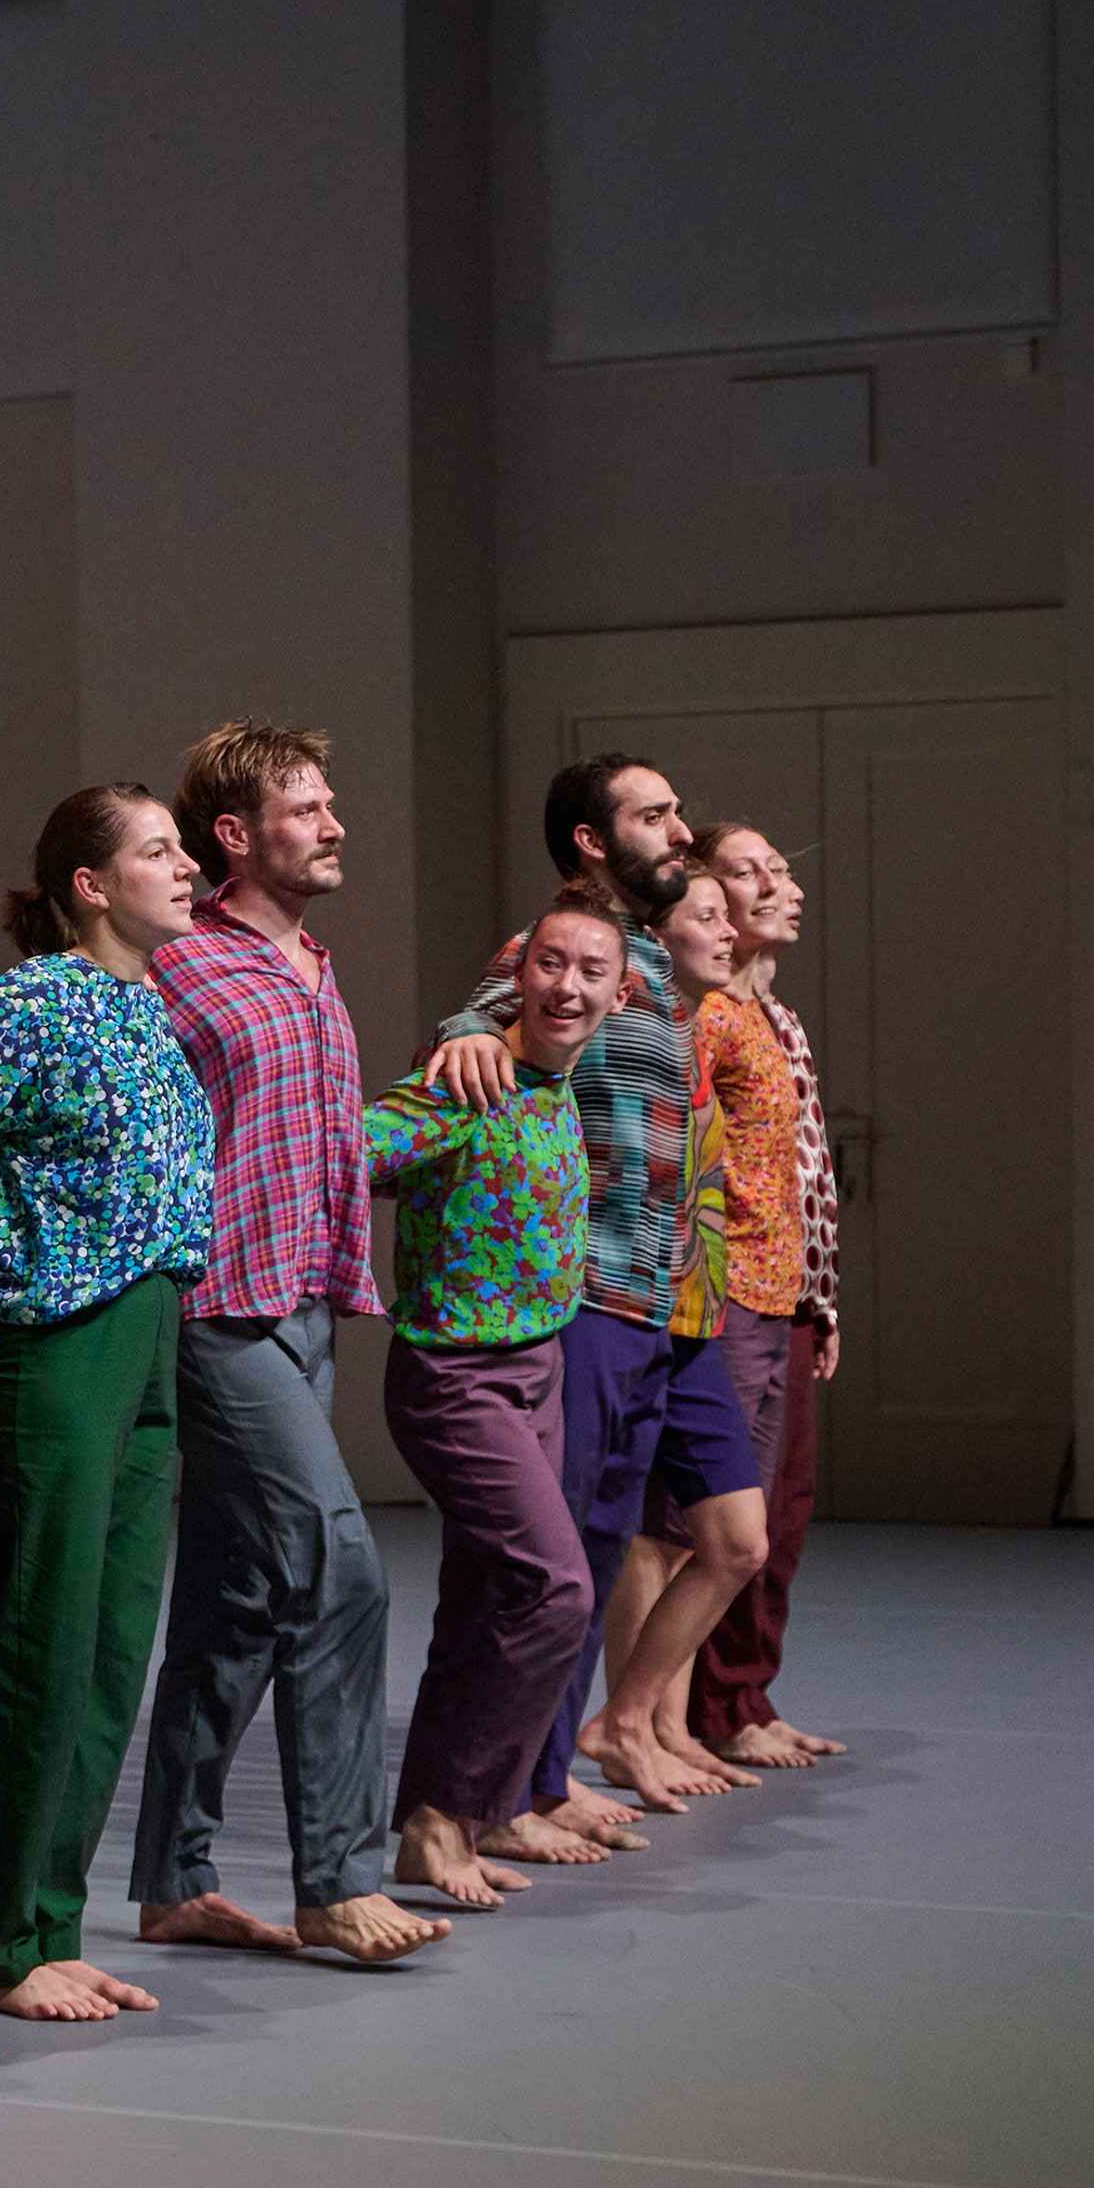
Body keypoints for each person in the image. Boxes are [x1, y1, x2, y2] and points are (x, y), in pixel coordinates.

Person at [130, 723, 440, 1964]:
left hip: (303, 1307)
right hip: (216, 1313)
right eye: (306, 808)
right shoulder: (178, 962)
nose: (333, 824)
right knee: (341, 1569)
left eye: (328, 803)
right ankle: (340, 1879)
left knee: (239, 1602)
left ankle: (174, 1880)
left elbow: (326, 1139)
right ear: (235, 836)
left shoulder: (312, 965)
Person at [424, 755, 765, 1850]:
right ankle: (505, 1793)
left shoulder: (651, 964)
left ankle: (545, 1776)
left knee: (604, 1545)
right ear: (591, 840)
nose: (680, 832)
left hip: (648, 1302)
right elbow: (478, 1022)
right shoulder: (560, 947)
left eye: (676, 812)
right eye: (654, 816)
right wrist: (464, 1033)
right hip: (579, 1299)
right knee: (557, 1558)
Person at [0, 784, 212, 2019]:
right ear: (91, 885)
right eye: (159, 849)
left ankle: (55, 1920)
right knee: (47, 1638)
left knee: (114, 1646)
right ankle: (7, 1943)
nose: (187, 864)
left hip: (154, 1327)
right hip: (62, 1339)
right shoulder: (35, 1000)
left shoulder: (147, 1003)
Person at [368, 884, 621, 1909]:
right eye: (549, 964)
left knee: (483, 1600)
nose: (568, 987)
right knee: (555, 1588)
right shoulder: (466, 1078)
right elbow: (354, 1152)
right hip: (456, 1375)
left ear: (619, 995)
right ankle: (445, 1813)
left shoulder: (561, 1082)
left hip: (538, 1368)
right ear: (516, 976)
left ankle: (467, 1815)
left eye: (591, 972)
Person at [574, 863, 768, 1803]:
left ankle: (628, 1715)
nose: (729, 932)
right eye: (708, 916)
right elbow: (499, 1013)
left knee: (739, 1540)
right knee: (606, 1538)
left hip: (694, 1318)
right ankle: (602, 1736)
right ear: (658, 938)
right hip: (618, 1306)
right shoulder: (618, 1015)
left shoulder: (689, 1035)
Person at [682, 822, 847, 1766]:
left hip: (787, 1293)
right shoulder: (707, 1017)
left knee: (782, 1513)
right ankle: (693, 1709)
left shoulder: (778, 1017)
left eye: (781, 868)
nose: (783, 886)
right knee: (720, 1518)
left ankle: (744, 1696)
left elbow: (805, 1172)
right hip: (731, 1289)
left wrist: (822, 1296)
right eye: (751, 873)